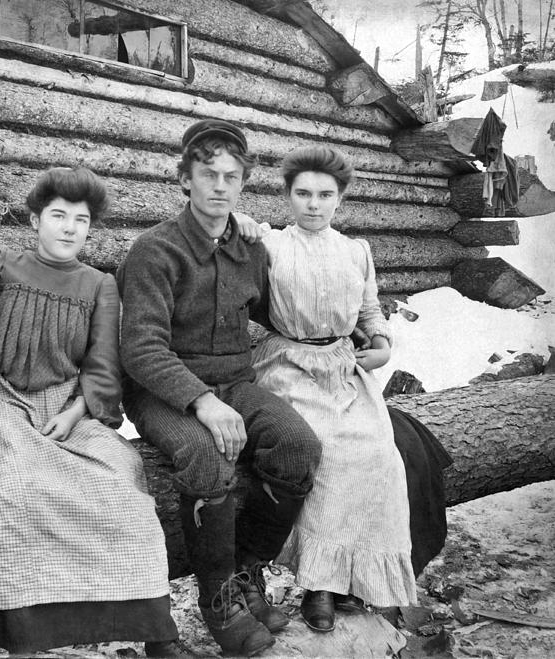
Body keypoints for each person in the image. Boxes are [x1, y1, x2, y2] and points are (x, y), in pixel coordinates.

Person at [0, 167, 182, 656]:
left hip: (69, 404)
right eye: (58, 216)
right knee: (11, 488)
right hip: (3, 399)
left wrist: (77, 413)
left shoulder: (99, 285)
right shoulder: (0, 267)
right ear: (35, 220)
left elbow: (102, 364)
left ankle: (156, 632)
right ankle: (25, 634)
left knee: (122, 482)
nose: (69, 227)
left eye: (80, 219)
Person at [116, 120, 323, 657]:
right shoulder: (154, 251)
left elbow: (280, 313)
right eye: (208, 174)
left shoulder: (248, 249)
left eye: (232, 177)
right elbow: (140, 349)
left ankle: (247, 571)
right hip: (162, 392)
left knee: (299, 445)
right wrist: (202, 403)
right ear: (184, 179)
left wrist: (359, 330)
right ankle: (217, 597)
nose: (220, 187)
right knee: (208, 456)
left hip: (235, 382)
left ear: (243, 184)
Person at [248, 145, 417, 632]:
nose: (313, 204)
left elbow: (369, 312)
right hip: (288, 362)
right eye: (302, 193)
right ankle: (318, 584)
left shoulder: (355, 251)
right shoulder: (270, 245)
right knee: (326, 448)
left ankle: (351, 577)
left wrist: (382, 344)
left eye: (325, 194)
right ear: (287, 196)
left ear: (340, 198)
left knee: (379, 450)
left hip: (343, 366)